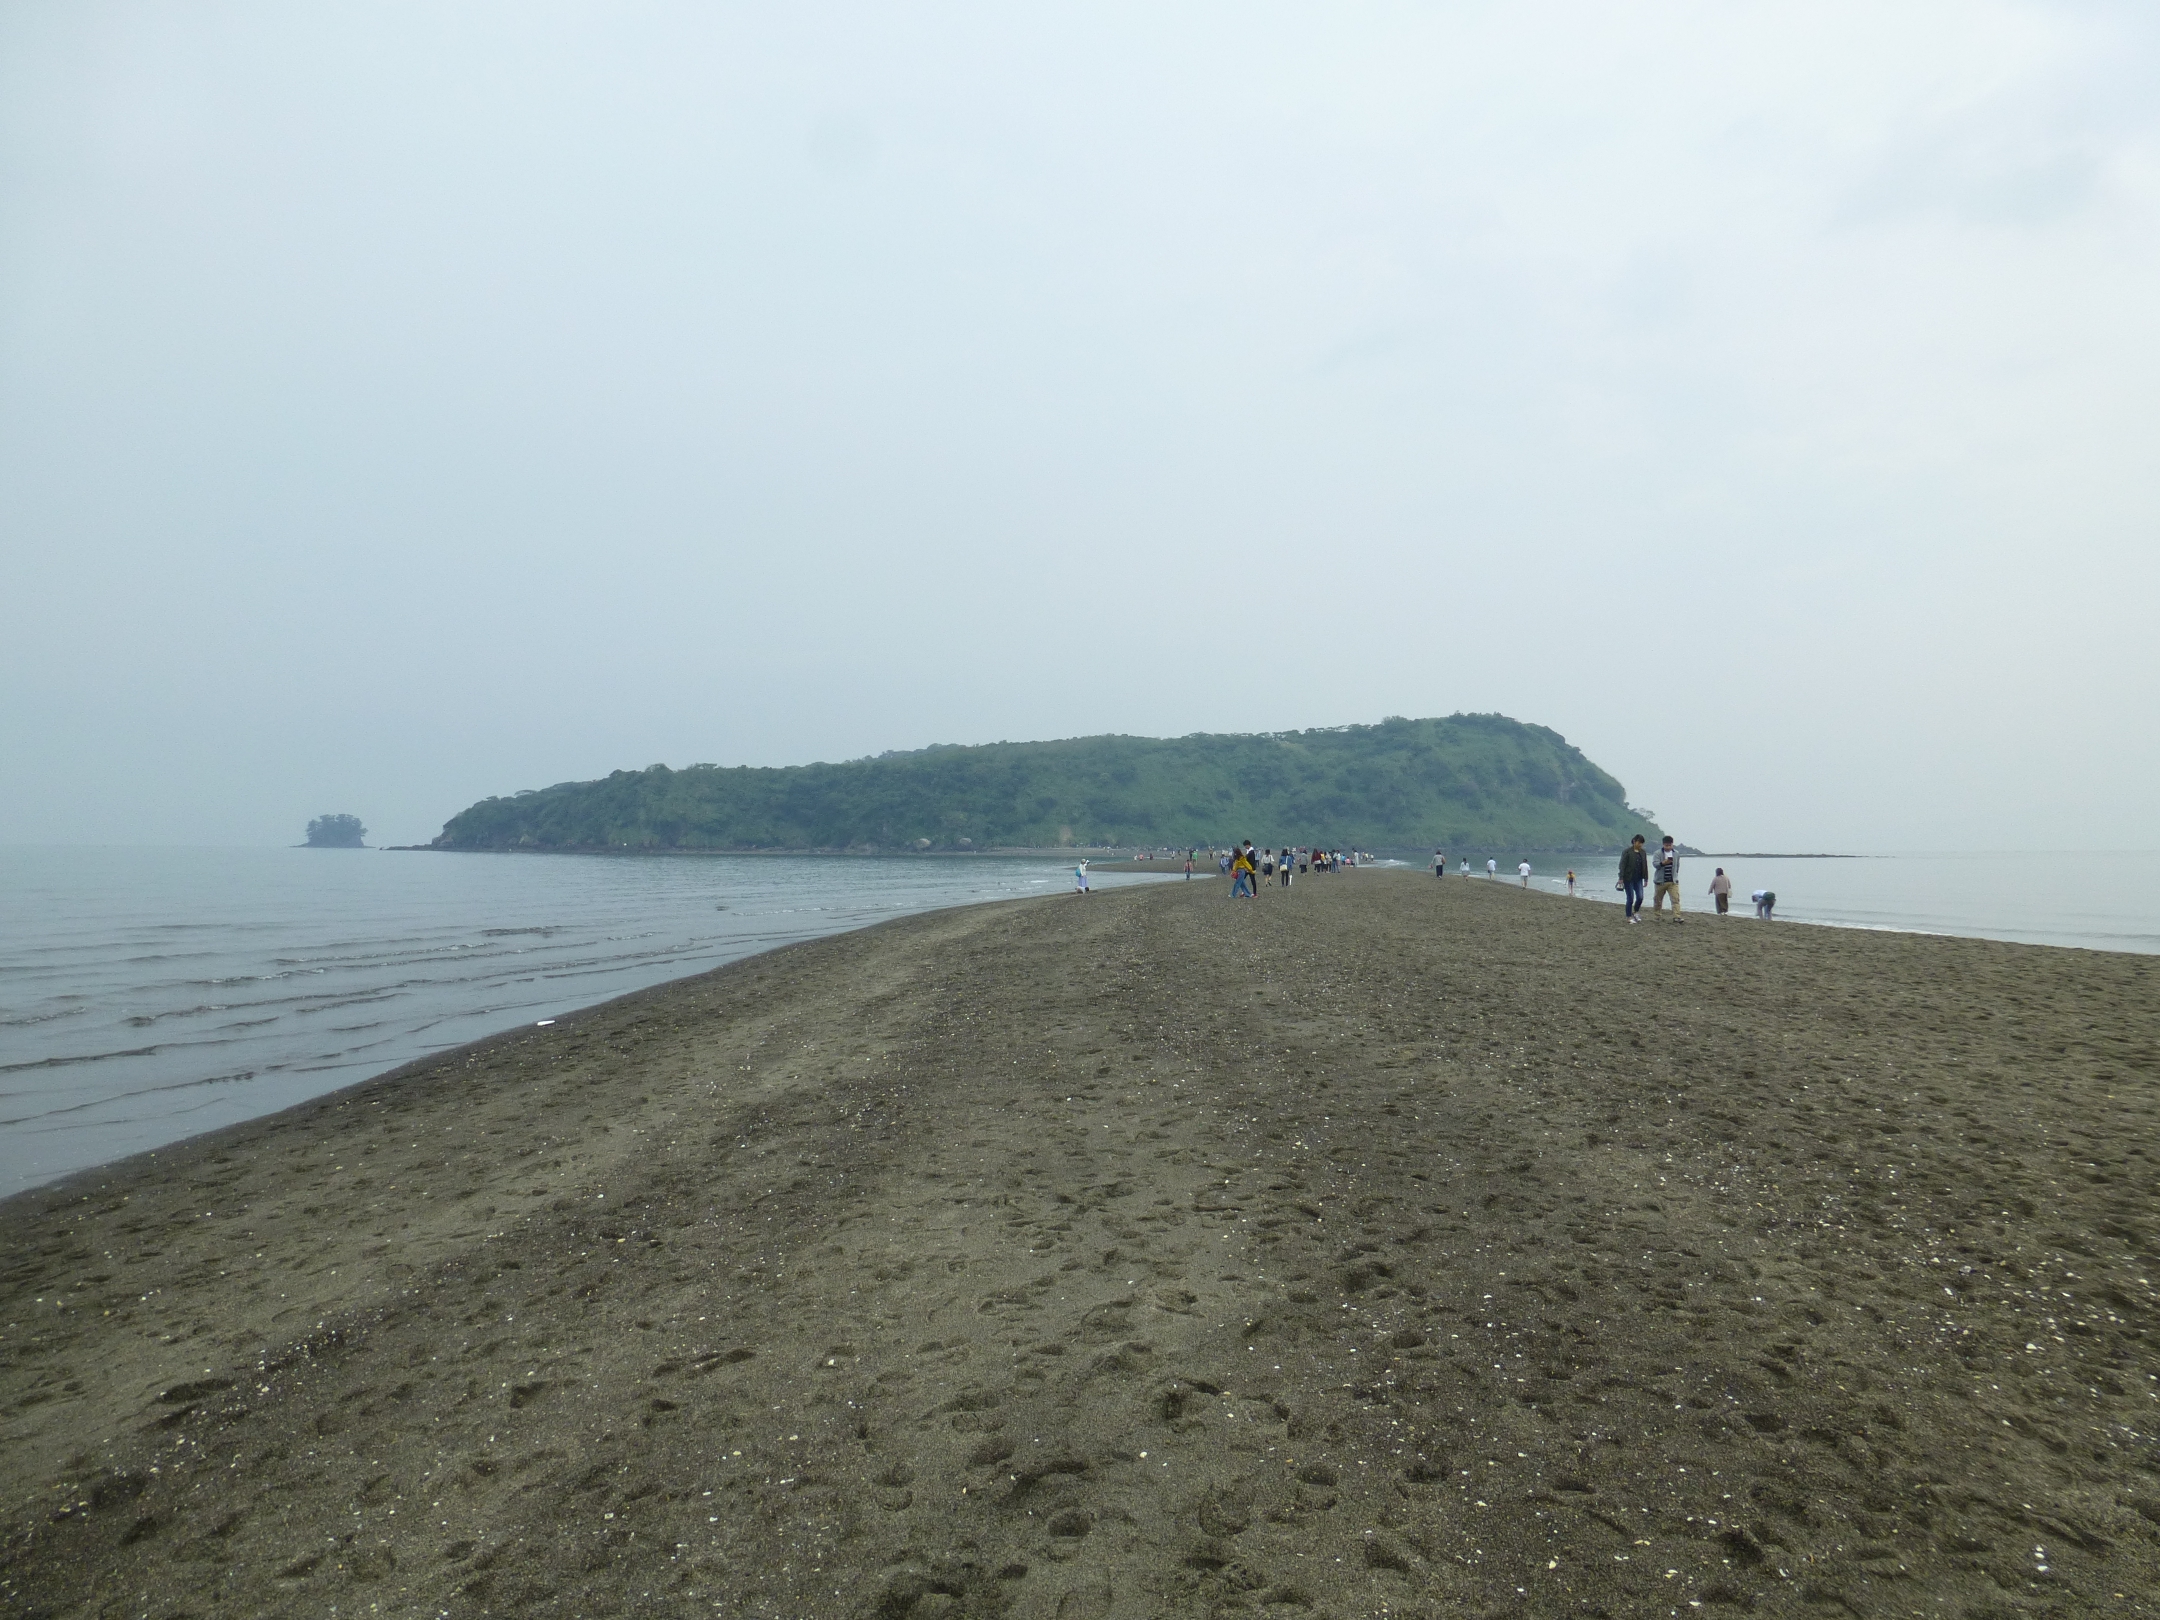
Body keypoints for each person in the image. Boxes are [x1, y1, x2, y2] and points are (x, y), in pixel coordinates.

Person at [1618, 834, 1649, 923]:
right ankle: (1628, 916)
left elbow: (1645, 865)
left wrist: (1646, 878)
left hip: (1639, 878)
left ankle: (1635, 911)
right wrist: (1621, 877)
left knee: (1640, 897)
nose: (1640, 845)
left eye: (1642, 843)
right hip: (1628, 878)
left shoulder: (1643, 852)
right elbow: (1622, 865)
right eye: (1639, 843)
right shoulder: (1627, 852)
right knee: (1630, 898)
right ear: (1634, 841)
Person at [1652, 835, 1682, 920]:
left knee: (1675, 899)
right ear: (1663, 844)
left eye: (1669, 845)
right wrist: (1663, 863)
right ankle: (1657, 916)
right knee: (1658, 900)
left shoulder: (1676, 853)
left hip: (1672, 881)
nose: (1668, 847)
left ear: (1672, 844)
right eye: (1666, 845)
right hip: (1660, 881)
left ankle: (1677, 916)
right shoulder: (1657, 853)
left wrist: (1675, 876)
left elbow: (1677, 866)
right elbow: (1655, 864)